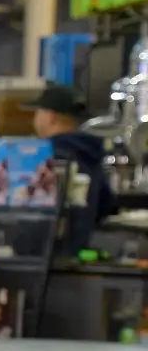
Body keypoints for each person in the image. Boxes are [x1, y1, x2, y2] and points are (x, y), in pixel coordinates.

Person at [26, 83, 118, 254]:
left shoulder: (42, 156)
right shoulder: (91, 155)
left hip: (37, 257)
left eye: (38, 112)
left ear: (50, 116)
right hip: (74, 261)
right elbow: (106, 206)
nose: (35, 118)